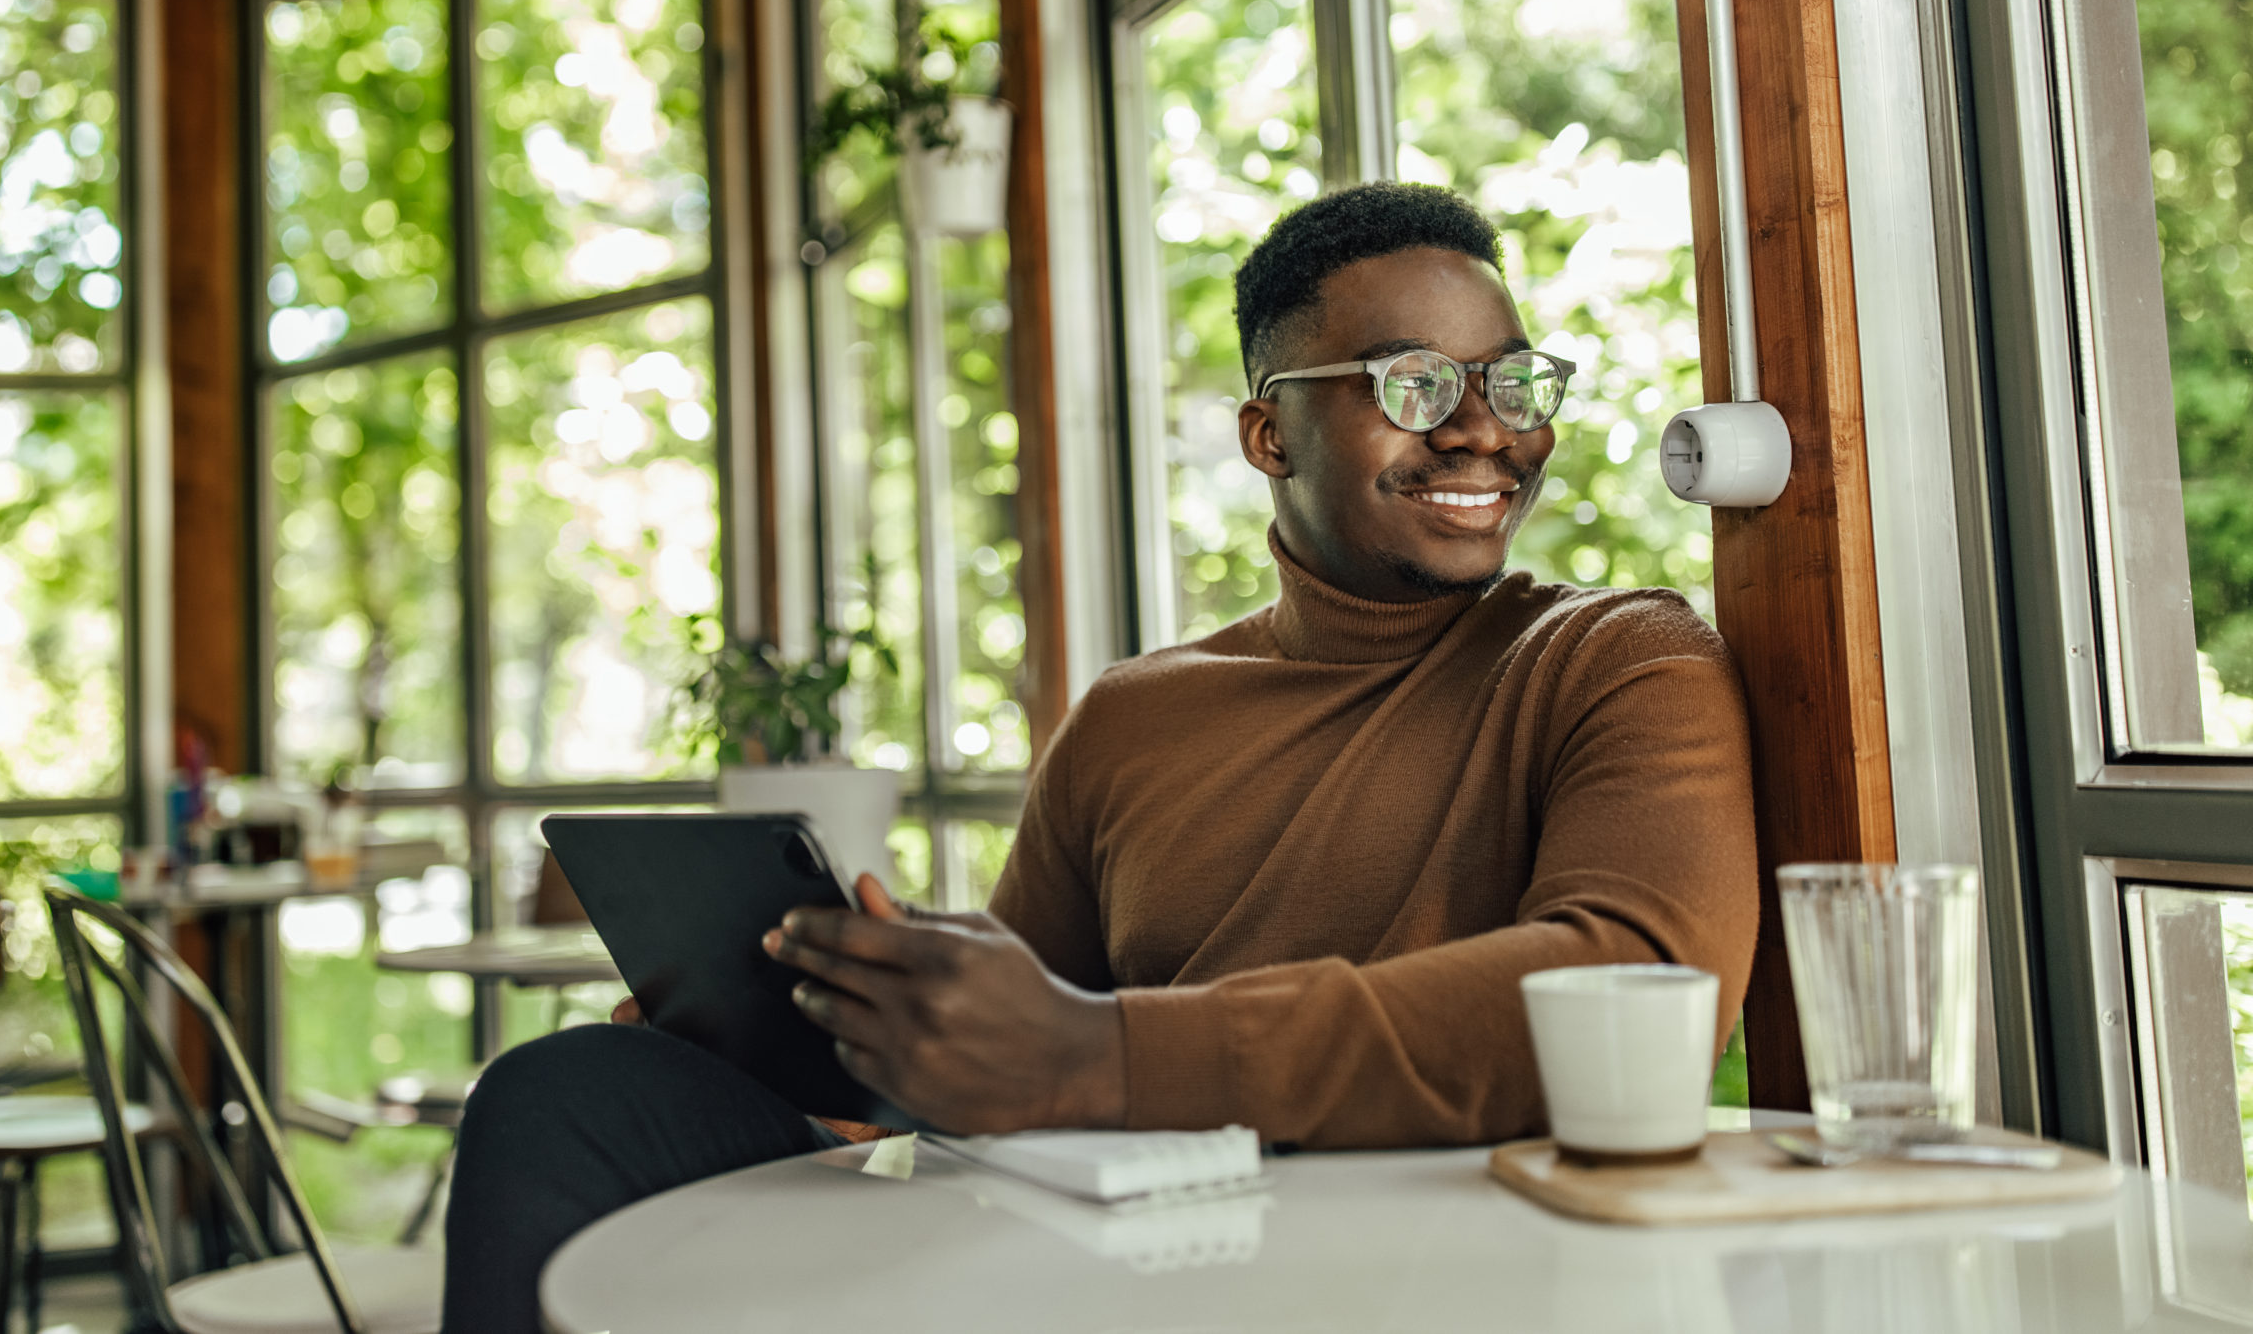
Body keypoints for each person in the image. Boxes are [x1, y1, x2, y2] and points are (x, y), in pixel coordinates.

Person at [442, 183, 1757, 1331]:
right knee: (568, 1095)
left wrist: (1103, 1059)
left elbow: (1637, 984)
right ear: (1269, 437)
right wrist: (857, 1023)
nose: (1483, 428)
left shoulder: (1617, 660)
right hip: (1093, 1254)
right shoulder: (1137, 716)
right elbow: (1023, 1039)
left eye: (1512, 382)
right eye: (1415, 385)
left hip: (1404, 1273)